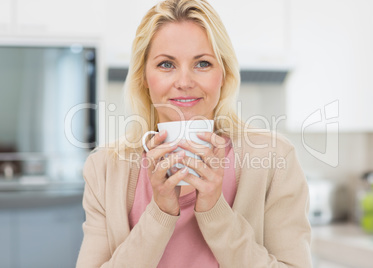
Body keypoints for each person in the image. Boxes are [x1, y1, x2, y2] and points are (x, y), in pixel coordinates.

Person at [76, 0, 312, 267]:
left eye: (202, 63)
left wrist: (215, 211)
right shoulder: (105, 169)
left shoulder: (274, 160)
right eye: (166, 64)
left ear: (223, 74)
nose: (185, 82)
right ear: (144, 76)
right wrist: (160, 213)